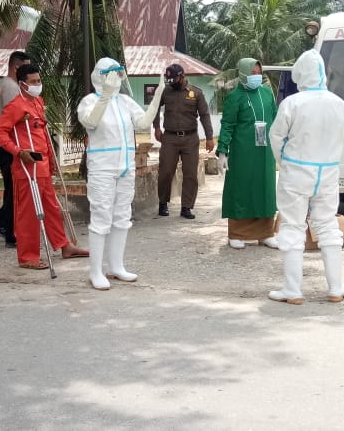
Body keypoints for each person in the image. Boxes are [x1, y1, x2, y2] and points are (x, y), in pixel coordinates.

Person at [267, 50, 344, 305]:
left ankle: (292, 291)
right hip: (327, 171)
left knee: (293, 226)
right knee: (327, 226)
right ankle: (336, 288)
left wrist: (285, 162)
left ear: (300, 74)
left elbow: (276, 137)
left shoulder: (292, 103)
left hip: (296, 171)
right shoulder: (341, 104)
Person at [78, 57, 166, 290]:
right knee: (101, 218)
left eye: (119, 73)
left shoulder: (125, 102)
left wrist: (158, 96)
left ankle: (116, 266)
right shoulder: (89, 101)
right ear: (100, 75)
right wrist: (105, 95)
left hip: (126, 167)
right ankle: (95, 271)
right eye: (112, 73)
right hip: (102, 169)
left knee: (122, 217)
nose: (117, 78)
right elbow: (91, 122)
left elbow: (143, 122)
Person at [0, 64, 88, 269]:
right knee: (29, 213)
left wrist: (52, 161)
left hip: (42, 166)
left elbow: (42, 133)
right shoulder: (15, 106)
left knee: (52, 208)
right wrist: (18, 151)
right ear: (22, 84)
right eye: (34, 82)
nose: (38, 84)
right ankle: (28, 257)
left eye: (39, 80)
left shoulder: (37, 102)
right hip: (27, 168)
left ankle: (64, 245)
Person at [216, 58, 279, 250]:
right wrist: (222, 151)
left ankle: (266, 233)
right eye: (252, 73)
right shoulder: (235, 97)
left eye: (259, 72)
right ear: (243, 74)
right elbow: (227, 125)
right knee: (241, 189)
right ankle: (237, 234)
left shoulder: (267, 93)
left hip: (265, 151)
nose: (256, 76)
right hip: (242, 151)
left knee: (265, 189)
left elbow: (276, 120)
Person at [153, 63, 214, 219]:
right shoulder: (165, 92)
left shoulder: (196, 93)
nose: (172, 82)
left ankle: (186, 207)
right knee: (166, 171)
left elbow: (205, 115)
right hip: (170, 138)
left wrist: (209, 137)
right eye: (169, 80)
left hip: (190, 138)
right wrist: (157, 128)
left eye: (174, 79)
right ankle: (163, 203)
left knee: (190, 174)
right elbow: (154, 109)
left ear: (182, 76)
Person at [0, 51, 31, 248]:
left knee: (12, 189)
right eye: (26, 67)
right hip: (9, 146)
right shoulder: (11, 88)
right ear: (16, 67)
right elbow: (18, 116)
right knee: (15, 190)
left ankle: (4, 224)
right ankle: (5, 227)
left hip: (4, 145)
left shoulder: (5, 84)